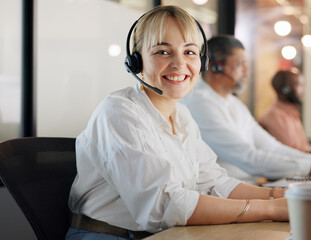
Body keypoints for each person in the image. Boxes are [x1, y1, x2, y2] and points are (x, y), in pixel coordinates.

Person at [66, 6, 290, 240]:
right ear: (136, 61)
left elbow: (214, 183)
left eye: (190, 52)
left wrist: (280, 195)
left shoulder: (181, 116)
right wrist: (271, 209)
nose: (179, 63)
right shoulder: (119, 112)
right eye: (163, 52)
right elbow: (164, 205)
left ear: (202, 62)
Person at [181, 35, 311, 182]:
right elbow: (249, 157)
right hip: (224, 197)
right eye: (240, 64)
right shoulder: (200, 103)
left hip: (249, 188)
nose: (247, 71)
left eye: (247, 64)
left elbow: (273, 148)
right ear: (215, 66)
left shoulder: (233, 103)